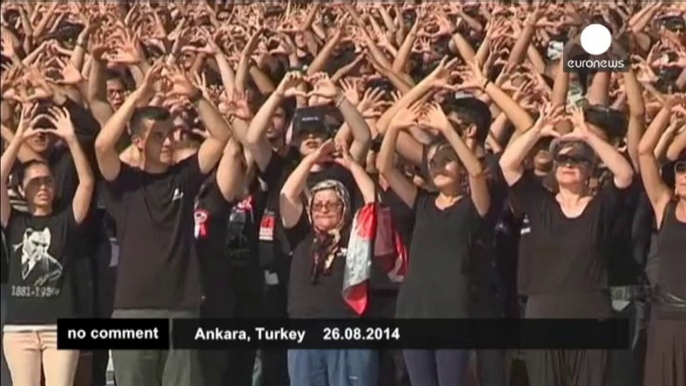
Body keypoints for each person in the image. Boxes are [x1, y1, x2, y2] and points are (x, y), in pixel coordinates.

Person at [94, 63, 230, 386]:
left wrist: (196, 95)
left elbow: (221, 137)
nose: (168, 142)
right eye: (158, 137)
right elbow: (102, 146)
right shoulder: (123, 183)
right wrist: (139, 96)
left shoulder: (184, 175)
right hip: (132, 310)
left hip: (181, 308)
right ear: (139, 142)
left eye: (170, 135)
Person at [498, 105, 635, 386]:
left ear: (590, 169)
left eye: (577, 159)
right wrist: (536, 130)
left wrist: (588, 136)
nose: (568, 164)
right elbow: (507, 165)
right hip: (543, 316)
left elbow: (625, 174)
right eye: (561, 159)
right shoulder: (539, 203)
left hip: (591, 314)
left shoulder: (602, 205)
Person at [378, 101, 491, 386]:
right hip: (414, 310)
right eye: (434, 163)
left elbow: (477, 172)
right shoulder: (423, 202)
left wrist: (447, 130)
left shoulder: (472, 205)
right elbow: (385, 167)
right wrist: (393, 127)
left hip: (452, 311)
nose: (439, 167)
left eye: (447, 161)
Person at [0, 104, 95, 386]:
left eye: (49, 181)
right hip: (19, 330)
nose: (43, 186)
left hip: (60, 327)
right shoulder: (14, 221)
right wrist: (17, 137)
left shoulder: (65, 221)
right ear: (20, 189)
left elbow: (87, 182)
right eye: (36, 182)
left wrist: (72, 139)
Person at [279, 140, 378, 386]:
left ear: (344, 207)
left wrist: (353, 165)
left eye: (331, 204)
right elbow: (287, 195)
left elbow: (371, 199)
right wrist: (310, 160)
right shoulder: (301, 234)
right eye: (317, 204)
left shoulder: (356, 233)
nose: (323, 209)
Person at [636, 97, 686, 386]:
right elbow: (644, 152)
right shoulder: (664, 205)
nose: (683, 176)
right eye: (680, 169)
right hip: (665, 320)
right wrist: (666, 111)